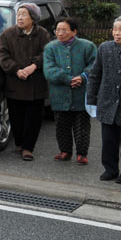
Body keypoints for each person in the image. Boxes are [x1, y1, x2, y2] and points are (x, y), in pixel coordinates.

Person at [86, 14, 121, 184]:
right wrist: (91, 99)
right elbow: (95, 75)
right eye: (114, 29)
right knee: (108, 141)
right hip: (108, 102)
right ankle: (110, 169)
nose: (116, 33)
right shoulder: (105, 48)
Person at [0, 2, 51, 161]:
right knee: (16, 117)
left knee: (33, 119)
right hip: (15, 82)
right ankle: (19, 143)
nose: (20, 18)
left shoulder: (42, 34)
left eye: (24, 14)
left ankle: (28, 148)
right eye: (18, 14)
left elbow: (46, 53)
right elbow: (2, 56)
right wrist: (16, 69)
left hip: (36, 84)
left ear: (33, 18)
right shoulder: (7, 34)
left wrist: (34, 66)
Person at [43, 17, 96, 165]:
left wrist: (83, 77)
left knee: (82, 125)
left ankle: (82, 154)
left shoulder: (87, 46)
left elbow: (95, 65)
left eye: (64, 30)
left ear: (74, 31)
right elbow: (49, 70)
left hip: (81, 93)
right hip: (60, 93)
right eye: (57, 30)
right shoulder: (50, 48)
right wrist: (67, 79)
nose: (60, 33)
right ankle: (65, 151)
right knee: (61, 124)